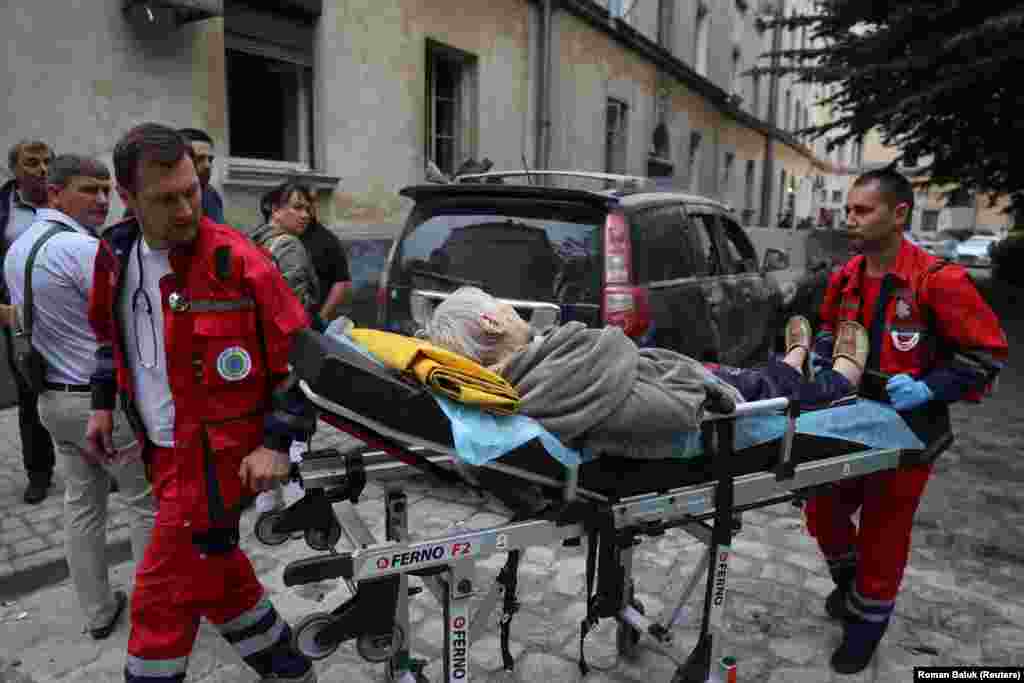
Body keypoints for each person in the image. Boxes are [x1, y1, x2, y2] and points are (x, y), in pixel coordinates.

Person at [84, 123, 318, 683]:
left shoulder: (239, 263)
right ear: (128, 198)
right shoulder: (115, 256)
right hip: (160, 451)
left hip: (219, 460)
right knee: (222, 581)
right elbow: (107, 339)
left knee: (160, 603)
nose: (188, 208)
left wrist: (277, 442)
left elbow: (305, 360)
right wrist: (99, 406)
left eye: (192, 190)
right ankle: (291, 673)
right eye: (167, 199)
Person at [804, 167, 1008, 674]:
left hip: (908, 430)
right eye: (848, 210)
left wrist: (929, 387)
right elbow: (829, 327)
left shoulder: (938, 281)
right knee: (823, 509)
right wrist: (826, 359)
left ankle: (867, 624)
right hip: (848, 418)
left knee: (883, 531)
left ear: (899, 215)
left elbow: (986, 355)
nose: (849, 219)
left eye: (862, 210)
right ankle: (852, 587)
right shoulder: (846, 276)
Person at [423, 286, 871, 458]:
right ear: (492, 322)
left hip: (650, 371)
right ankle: (836, 383)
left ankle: (792, 363)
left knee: (741, 373)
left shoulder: (534, 369)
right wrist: (700, 387)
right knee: (752, 387)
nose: (509, 304)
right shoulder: (555, 380)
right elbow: (671, 412)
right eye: (501, 302)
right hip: (687, 391)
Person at [2, 154, 155, 640]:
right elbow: (131, 323)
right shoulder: (82, 250)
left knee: (82, 505)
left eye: (106, 190)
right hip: (101, 404)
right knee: (143, 503)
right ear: (54, 194)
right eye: (89, 190)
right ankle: (157, 611)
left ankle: (97, 610)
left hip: (52, 401)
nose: (103, 200)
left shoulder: (17, 249)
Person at [1, 139, 58, 503]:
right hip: (20, 316)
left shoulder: (65, 199)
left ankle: (102, 462)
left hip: (68, 313)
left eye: (46, 162)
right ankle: (39, 473)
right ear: (14, 170)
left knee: (87, 388)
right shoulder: (3, 209)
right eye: (32, 162)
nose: (41, 169)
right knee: (30, 393)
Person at [251, 181, 323, 329]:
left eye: (307, 210)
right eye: (297, 208)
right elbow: (296, 307)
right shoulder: (290, 244)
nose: (305, 215)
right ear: (275, 209)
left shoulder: (254, 240)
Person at [298, 201, 351, 325]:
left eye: (307, 207)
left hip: (313, 319)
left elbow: (341, 281)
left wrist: (322, 316)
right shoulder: (285, 235)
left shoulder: (327, 240)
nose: (304, 213)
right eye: (298, 207)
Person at [178, 127, 225, 224]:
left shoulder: (210, 194)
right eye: (199, 158)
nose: (208, 165)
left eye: (210, 159)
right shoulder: (165, 195)